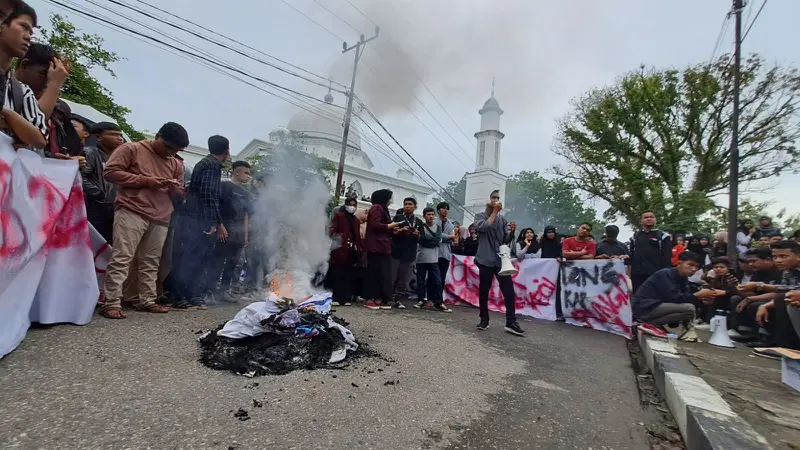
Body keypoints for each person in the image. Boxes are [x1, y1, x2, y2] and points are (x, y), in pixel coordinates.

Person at [99, 122, 187, 319]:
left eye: (175, 150)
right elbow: (110, 172)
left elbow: (179, 193)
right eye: (167, 147)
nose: (170, 153)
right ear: (157, 136)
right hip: (132, 209)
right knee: (123, 257)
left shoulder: (176, 163)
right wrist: (147, 180)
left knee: (151, 261)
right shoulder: (132, 149)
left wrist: (174, 189)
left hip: (161, 215)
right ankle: (112, 302)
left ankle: (146, 300)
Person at [174, 135, 230, 308]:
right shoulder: (212, 165)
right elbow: (208, 195)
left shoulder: (205, 164)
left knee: (194, 258)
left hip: (195, 217)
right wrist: (215, 222)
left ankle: (190, 295)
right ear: (227, 151)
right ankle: (184, 296)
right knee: (194, 258)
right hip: (199, 219)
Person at [473, 190, 524, 336]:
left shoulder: (502, 220)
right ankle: (484, 319)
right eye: (493, 198)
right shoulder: (479, 216)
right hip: (485, 260)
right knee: (484, 291)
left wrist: (512, 232)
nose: (496, 200)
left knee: (508, 291)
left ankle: (511, 322)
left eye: (497, 198)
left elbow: (505, 240)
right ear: (487, 200)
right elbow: (483, 227)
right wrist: (494, 212)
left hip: (500, 261)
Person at [738, 240, 800, 352]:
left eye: (783, 256)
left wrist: (760, 286)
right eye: (775, 257)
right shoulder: (787, 271)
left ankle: (787, 347)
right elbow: (785, 290)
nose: (778, 260)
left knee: (782, 299)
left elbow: (791, 291)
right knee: (779, 300)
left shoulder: (777, 272)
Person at [0, 2, 47, 149]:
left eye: (31, 32)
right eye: (24, 27)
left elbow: (39, 139)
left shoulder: (21, 91)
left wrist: (6, 113)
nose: (28, 37)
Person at [632, 251, 720, 329]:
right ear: (679, 263)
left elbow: (685, 298)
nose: (694, 269)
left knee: (690, 307)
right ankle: (650, 324)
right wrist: (698, 295)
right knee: (689, 308)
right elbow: (674, 298)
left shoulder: (684, 279)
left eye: (697, 267)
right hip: (644, 307)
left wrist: (703, 299)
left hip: (654, 307)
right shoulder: (665, 274)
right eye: (690, 265)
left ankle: (651, 324)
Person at [212, 160, 252, 301]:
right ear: (236, 172)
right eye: (246, 172)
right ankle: (211, 291)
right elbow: (215, 206)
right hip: (225, 230)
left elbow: (246, 215)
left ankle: (224, 291)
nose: (248, 176)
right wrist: (219, 225)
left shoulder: (246, 194)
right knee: (218, 261)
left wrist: (245, 235)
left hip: (238, 234)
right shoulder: (224, 186)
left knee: (233, 263)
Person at [80, 121, 124, 243]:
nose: (119, 139)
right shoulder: (89, 153)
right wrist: (97, 193)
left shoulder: (122, 157)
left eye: (120, 135)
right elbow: (80, 177)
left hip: (115, 208)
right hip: (94, 206)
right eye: (113, 135)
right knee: (92, 242)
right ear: (98, 137)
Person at [363, 189, 405, 310]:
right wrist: (391, 225)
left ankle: (378, 298)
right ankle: (369, 298)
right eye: (389, 198)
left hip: (383, 247)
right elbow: (375, 225)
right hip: (375, 247)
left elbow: (385, 228)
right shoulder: (376, 208)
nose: (391, 201)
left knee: (382, 274)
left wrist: (397, 230)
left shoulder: (383, 209)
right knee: (373, 274)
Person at [326, 197, 364, 306]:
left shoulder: (355, 220)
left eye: (354, 205)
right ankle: (335, 298)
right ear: (346, 205)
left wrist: (358, 247)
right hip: (339, 249)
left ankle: (346, 298)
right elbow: (332, 229)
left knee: (348, 275)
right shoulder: (339, 216)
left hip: (351, 251)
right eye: (350, 204)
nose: (352, 207)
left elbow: (357, 235)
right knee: (337, 273)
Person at [414, 207, 451, 312]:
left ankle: (438, 301)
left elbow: (436, 241)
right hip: (421, 258)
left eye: (432, 214)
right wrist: (427, 240)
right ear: (424, 216)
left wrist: (426, 239)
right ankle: (421, 300)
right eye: (428, 214)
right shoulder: (420, 227)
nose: (430, 216)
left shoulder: (438, 227)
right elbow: (420, 240)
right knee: (421, 280)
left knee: (437, 281)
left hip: (434, 258)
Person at [628, 211, 672, 293]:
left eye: (651, 217)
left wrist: (666, 273)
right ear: (641, 221)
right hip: (638, 275)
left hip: (656, 274)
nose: (649, 219)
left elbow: (667, 257)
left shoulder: (663, 236)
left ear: (655, 220)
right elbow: (631, 255)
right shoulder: (635, 236)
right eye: (646, 217)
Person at [390, 197, 422, 308]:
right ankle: (387, 297)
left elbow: (421, 239)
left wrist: (417, 235)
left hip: (409, 254)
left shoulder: (418, 222)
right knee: (392, 276)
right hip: (396, 252)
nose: (407, 206)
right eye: (405, 204)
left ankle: (398, 299)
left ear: (415, 207)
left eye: (410, 204)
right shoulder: (398, 218)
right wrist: (401, 231)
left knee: (403, 279)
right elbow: (391, 232)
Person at [434, 201, 458, 296]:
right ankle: (431, 297)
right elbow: (435, 235)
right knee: (434, 277)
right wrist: (449, 237)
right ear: (438, 210)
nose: (445, 210)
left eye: (447, 208)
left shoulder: (451, 224)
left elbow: (453, 238)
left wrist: (448, 238)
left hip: (446, 253)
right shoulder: (434, 222)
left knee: (442, 277)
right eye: (443, 208)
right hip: (435, 253)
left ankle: (439, 298)